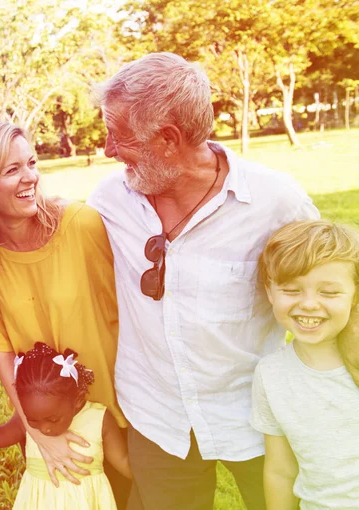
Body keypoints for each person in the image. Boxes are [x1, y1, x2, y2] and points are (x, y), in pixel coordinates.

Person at [86, 52, 320, 510]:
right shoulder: (109, 200)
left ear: (169, 139)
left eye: (120, 135)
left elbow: (336, 289)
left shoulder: (275, 202)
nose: (109, 150)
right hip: (156, 415)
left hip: (254, 414)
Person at [0, 120, 130, 505]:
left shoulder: (82, 224)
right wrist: (39, 433)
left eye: (31, 163)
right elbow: (1, 351)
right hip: (47, 418)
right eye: (12, 170)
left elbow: (129, 312)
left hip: (117, 413)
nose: (30, 177)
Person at [251, 220, 359, 509]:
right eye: (292, 290)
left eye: (329, 292)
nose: (310, 304)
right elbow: (280, 471)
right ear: (270, 292)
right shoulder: (270, 374)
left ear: (355, 294)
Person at [0, 342, 131, 509]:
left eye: (53, 420)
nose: (44, 429)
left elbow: (125, 463)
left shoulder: (98, 419)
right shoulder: (25, 421)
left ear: (78, 399)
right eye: (33, 420)